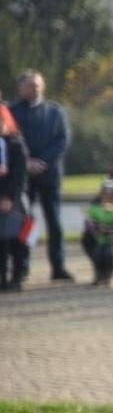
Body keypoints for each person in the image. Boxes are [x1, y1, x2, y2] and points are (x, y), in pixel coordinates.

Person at [11, 69, 73, 282]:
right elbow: (10, 140)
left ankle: (58, 266)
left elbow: (62, 140)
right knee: (25, 222)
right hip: (23, 176)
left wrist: (44, 161)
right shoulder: (12, 112)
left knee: (54, 222)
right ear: (20, 88)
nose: (35, 88)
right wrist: (26, 162)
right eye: (30, 85)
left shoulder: (55, 111)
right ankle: (23, 267)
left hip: (50, 174)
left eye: (38, 84)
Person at [0, 103, 27, 291]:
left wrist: (9, 197)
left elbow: (19, 175)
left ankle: (17, 277)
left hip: (13, 198)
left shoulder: (15, 144)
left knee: (18, 239)